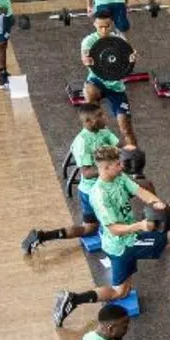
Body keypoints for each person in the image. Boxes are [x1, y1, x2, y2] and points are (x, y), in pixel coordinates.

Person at [52, 146, 170, 328]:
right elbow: (114, 229)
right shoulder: (100, 195)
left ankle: (74, 299)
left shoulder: (118, 177)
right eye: (117, 164)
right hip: (123, 243)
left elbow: (139, 191)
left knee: (120, 292)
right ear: (105, 168)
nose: (121, 166)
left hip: (123, 240)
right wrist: (142, 225)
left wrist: (158, 203)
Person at [22, 104, 117, 254]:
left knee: (89, 228)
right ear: (88, 121)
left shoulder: (103, 131)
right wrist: (110, 170)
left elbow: (119, 145)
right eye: (100, 115)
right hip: (93, 192)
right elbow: (85, 173)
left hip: (99, 187)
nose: (105, 117)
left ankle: (43, 236)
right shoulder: (83, 142)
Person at [81, 10, 139, 149]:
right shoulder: (88, 41)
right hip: (97, 81)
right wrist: (86, 60)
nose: (104, 30)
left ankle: (134, 161)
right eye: (100, 26)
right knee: (89, 93)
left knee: (126, 128)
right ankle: (94, 143)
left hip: (116, 87)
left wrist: (131, 60)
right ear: (95, 24)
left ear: (111, 25)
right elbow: (85, 59)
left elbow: (127, 63)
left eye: (107, 26)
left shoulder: (119, 41)